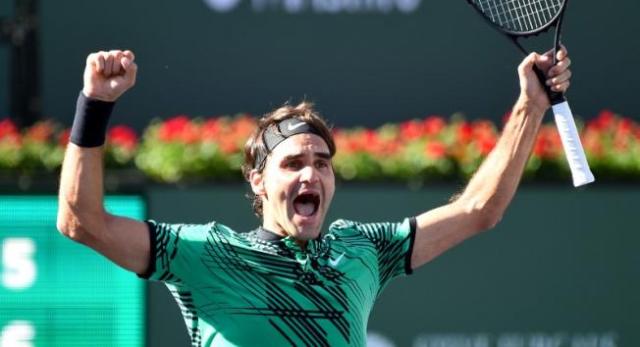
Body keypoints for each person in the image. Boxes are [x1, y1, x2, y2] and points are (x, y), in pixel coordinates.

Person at [57, 47, 572, 346]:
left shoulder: (364, 251)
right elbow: (81, 221)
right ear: (258, 182)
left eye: (322, 164)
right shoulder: (204, 254)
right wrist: (95, 104)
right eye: (293, 163)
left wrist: (530, 106)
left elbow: (478, 210)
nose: (312, 174)